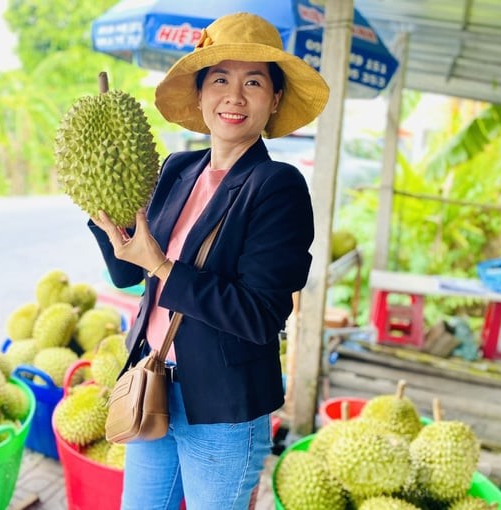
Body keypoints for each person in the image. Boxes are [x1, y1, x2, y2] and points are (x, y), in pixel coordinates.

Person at [89, 11, 329, 510]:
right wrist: (100, 210)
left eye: (254, 82)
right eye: (220, 78)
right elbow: (130, 273)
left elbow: (260, 315)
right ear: (200, 94)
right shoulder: (177, 169)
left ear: (275, 99)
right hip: (151, 385)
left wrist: (162, 266)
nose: (234, 96)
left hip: (222, 410)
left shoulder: (277, 186)